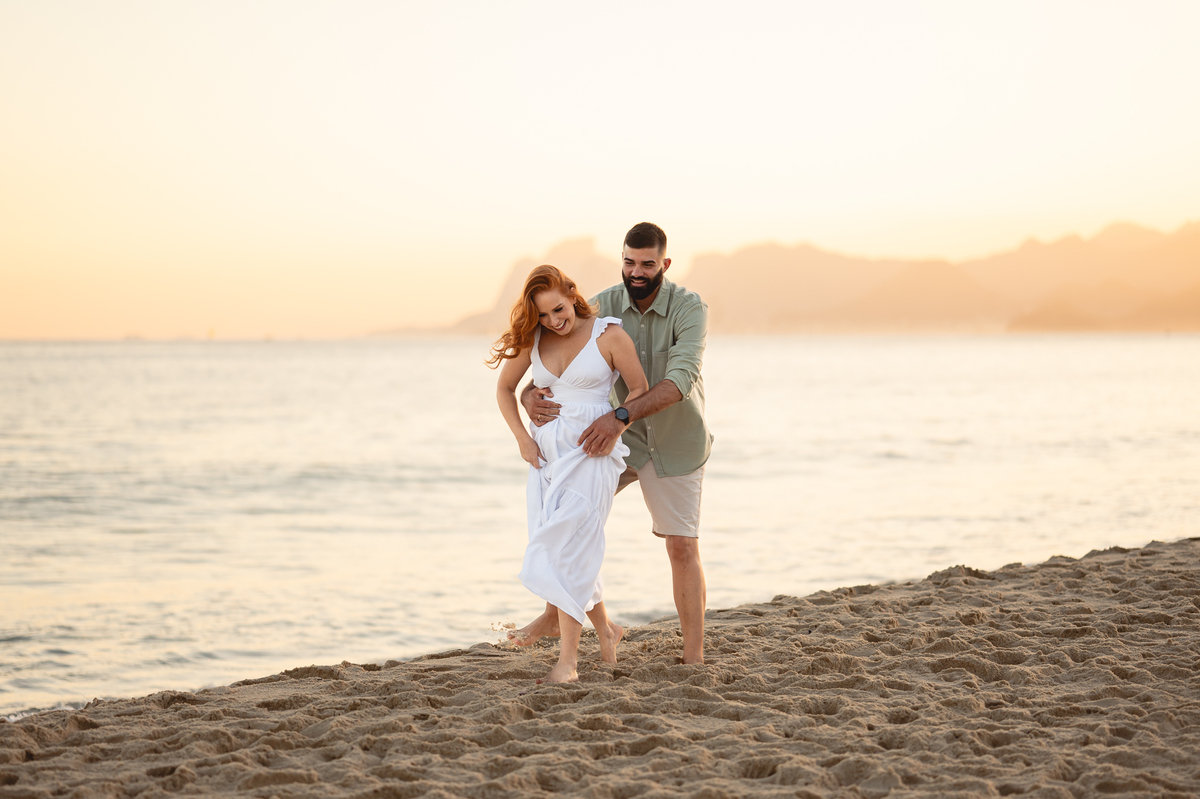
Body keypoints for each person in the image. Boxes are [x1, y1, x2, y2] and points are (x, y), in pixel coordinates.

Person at [514, 222, 713, 665]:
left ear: (664, 264)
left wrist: (619, 416)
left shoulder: (689, 308)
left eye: (646, 264)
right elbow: (556, 369)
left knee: (681, 545)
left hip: (668, 438)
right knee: (569, 519)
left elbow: (679, 380)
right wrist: (529, 395)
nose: (636, 271)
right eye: (628, 261)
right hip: (601, 441)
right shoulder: (601, 305)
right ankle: (559, 614)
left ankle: (694, 658)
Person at [490, 264, 650, 683]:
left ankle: (568, 662)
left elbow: (639, 391)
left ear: (572, 294)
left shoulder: (609, 335)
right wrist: (523, 439)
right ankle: (608, 631)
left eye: (558, 309)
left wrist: (617, 423)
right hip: (546, 457)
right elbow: (505, 389)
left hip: (592, 453)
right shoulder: (536, 339)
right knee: (566, 545)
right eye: (543, 315)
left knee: (569, 548)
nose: (553, 321)